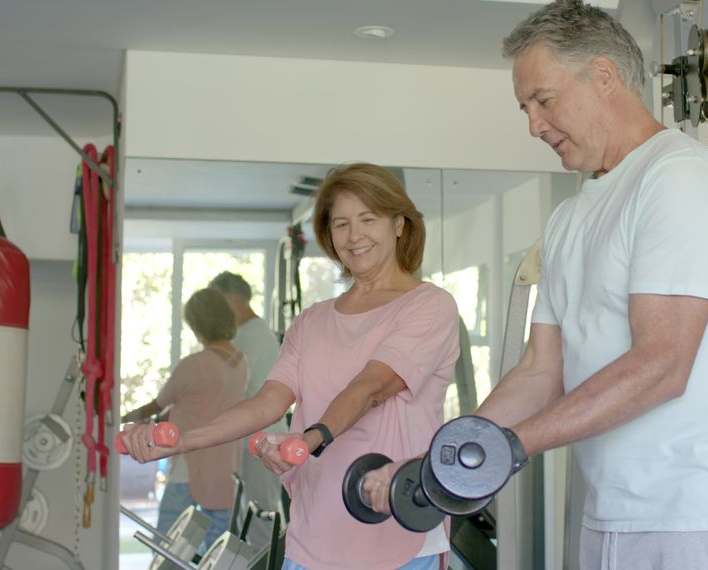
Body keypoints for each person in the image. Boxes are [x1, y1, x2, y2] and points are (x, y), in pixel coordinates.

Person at [366, 2, 708, 568]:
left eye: (543, 100)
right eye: (525, 108)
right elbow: (541, 370)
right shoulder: (569, 218)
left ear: (604, 76)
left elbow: (662, 364)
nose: (533, 125)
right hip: (611, 517)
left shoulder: (681, 178)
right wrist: (442, 458)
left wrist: (508, 446)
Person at [121, 162, 461, 570]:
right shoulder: (312, 321)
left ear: (400, 224)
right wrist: (182, 442)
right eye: (341, 224)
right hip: (313, 536)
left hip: (399, 535)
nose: (354, 236)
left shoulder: (430, 306)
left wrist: (310, 438)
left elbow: (372, 386)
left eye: (368, 219)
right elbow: (268, 402)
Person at [121, 288, 247, 553]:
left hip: (187, 467)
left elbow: (158, 405)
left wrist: (119, 418)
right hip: (225, 467)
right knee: (218, 552)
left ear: (198, 325)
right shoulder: (240, 362)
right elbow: (200, 404)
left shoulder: (194, 364)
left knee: (167, 546)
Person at [209, 270, 285, 550]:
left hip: (263, 439)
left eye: (219, 302)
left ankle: (268, 565)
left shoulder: (255, 335)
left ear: (235, 300)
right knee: (245, 518)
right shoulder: (242, 334)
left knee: (261, 517)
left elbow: (235, 388)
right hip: (247, 440)